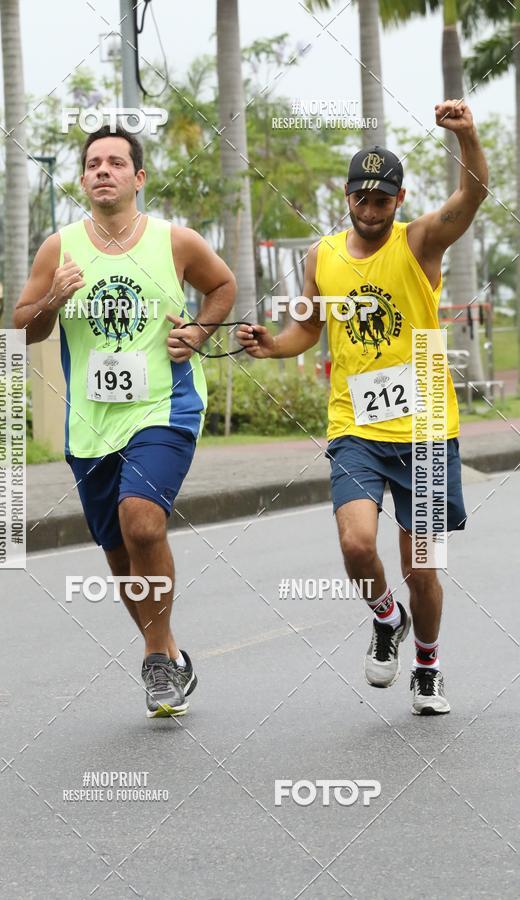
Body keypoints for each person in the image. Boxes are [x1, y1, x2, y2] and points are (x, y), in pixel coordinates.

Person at [237, 100, 488, 715]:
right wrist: (273, 346)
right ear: (347, 198)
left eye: (382, 200)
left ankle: (427, 664)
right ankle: (385, 617)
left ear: (398, 200)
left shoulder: (420, 242)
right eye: (360, 199)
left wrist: (467, 136)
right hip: (357, 427)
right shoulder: (321, 255)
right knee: (354, 545)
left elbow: (475, 193)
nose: (370, 211)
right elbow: (306, 329)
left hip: (426, 426)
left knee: (421, 567)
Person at [14, 125, 236, 718]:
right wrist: (54, 301)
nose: (103, 171)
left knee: (141, 525)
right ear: (83, 179)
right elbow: (22, 328)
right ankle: (167, 651)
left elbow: (222, 286)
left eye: (116, 162)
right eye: (93, 164)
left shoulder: (175, 241)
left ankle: (156, 660)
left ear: (139, 178)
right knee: (118, 555)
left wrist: (199, 330)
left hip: (164, 407)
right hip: (90, 424)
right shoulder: (57, 249)